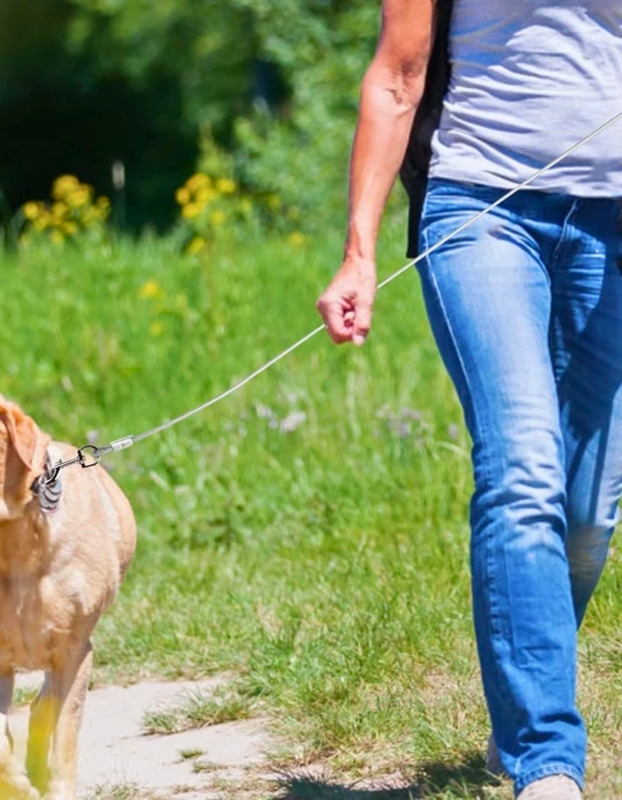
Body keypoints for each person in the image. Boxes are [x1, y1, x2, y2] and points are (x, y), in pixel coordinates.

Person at [316, 1, 622, 798]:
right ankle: (545, 760)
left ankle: (520, 701)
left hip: (614, 225)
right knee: (523, 468)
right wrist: (358, 252)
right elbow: (398, 73)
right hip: (483, 208)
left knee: (588, 511)